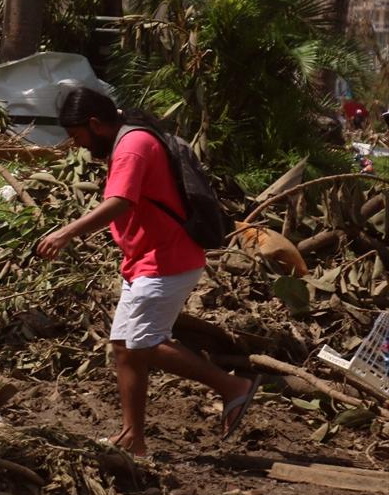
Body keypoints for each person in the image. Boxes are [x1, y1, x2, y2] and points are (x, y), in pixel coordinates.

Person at [36, 87, 259, 457]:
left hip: (165, 261)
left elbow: (120, 202)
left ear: (95, 124)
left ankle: (232, 387)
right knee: (124, 347)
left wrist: (66, 233)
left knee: (143, 344)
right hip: (148, 261)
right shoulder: (132, 137)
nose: (79, 146)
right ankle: (132, 438)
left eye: (78, 137)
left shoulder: (132, 146)